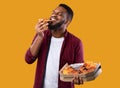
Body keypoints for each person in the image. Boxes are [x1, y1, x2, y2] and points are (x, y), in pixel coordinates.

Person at [25, 3, 84, 88]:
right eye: (53, 12)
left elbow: (79, 70)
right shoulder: (41, 35)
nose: (53, 15)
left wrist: (79, 76)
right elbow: (28, 59)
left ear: (67, 22)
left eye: (59, 14)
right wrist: (39, 36)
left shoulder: (76, 42)